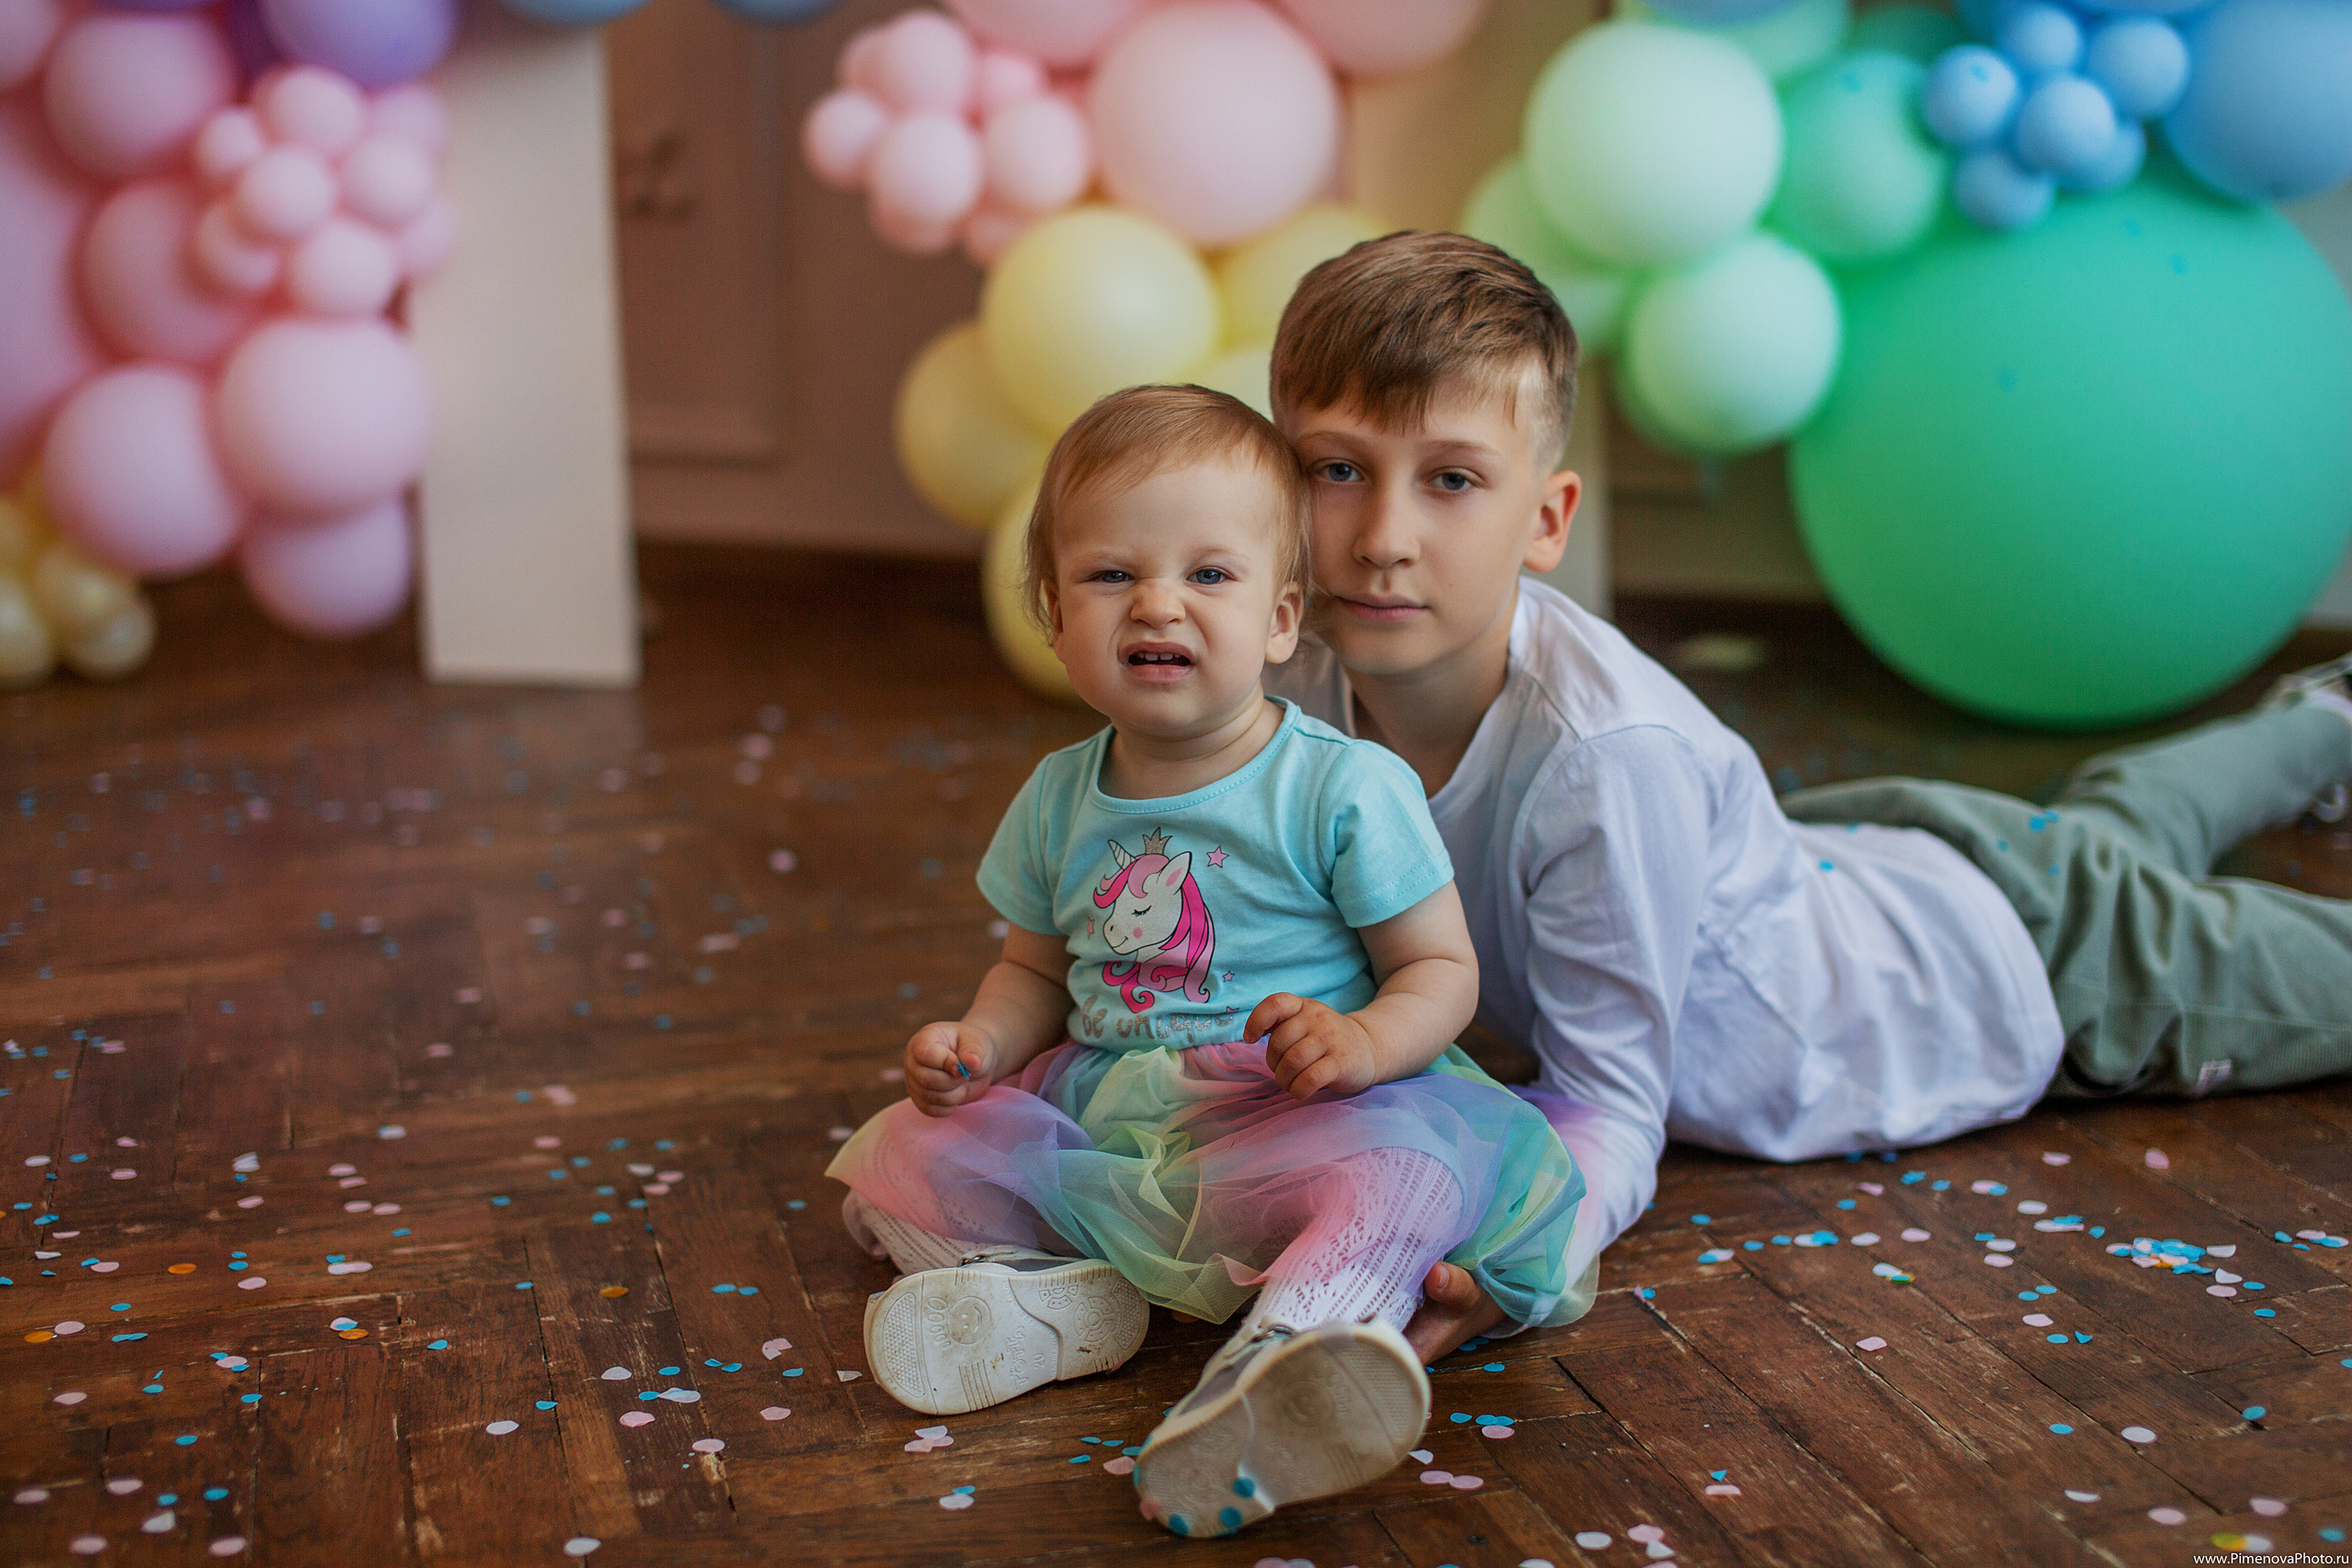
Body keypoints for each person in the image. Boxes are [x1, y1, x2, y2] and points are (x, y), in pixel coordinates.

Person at [1261, 229, 2352, 1359]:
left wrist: (1519, 1257)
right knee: (2106, 827)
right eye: (1336, 469)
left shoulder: (1606, 763)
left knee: (2139, 876)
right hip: (1886, 860)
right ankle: (2320, 724)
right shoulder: (1290, 679)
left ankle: (2319, 725)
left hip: (2023, 968)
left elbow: (1611, 1111)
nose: (1382, 539)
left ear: (1546, 519)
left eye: (1451, 479)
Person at [825, 383, 1591, 1539]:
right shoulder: (1056, 798)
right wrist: (978, 1045)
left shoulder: (1338, 786)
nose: (1157, 603)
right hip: (1110, 1120)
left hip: (1297, 1109)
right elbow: (1033, 974)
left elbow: (1440, 970)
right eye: (1111, 574)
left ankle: (1291, 1356)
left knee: (1407, 1176)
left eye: (1208, 574)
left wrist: (1361, 1044)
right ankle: (1055, 1307)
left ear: (1281, 619)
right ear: (1054, 615)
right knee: (894, 1167)